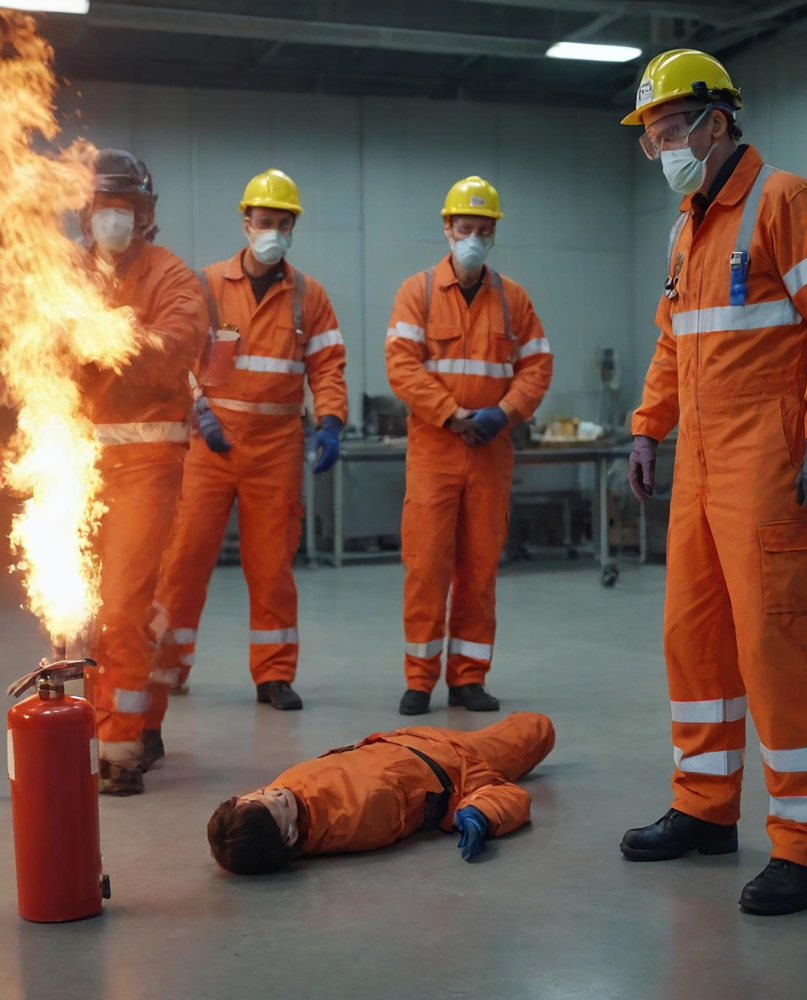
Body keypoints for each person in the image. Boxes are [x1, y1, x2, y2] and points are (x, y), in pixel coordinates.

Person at [619, 49, 807, 915]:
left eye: (667, 128)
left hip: (769, 464)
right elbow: (671, 338)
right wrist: (648, 428)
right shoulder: (688, 226)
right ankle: (704, 808)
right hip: (698, 466)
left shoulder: (789, 203)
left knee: (776, 646)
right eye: (650, 135)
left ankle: (806, 847)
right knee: (694, 642)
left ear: (716, 122)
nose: (660, 147)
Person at [149, 168, 347, 747]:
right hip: (209, 449)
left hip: (276, 452)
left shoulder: (309, 297)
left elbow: (328, 366)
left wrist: (330, 419)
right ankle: (169, 665)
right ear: (246, 223)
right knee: (183, 561)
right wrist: (197, 412)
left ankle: (275, 674)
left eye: (283, 223)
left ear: (293, 227)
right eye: (265, 221)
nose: (274, 231)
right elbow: (180, 358)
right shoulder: (206, 285)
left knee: (272, 566)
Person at [385, 176, 553, 717]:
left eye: (483, 230)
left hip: (490, 451)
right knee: (426, 566)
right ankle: (419, 678)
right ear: (447, 229)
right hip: (436, 450)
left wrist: (503, 413)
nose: (473, 238)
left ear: (494, 232)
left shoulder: (515, 300)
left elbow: (537, 367)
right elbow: (402, 366)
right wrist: (452, 415)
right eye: (465, 228)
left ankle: (468, 678)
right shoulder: (419, 293)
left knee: (479, 569)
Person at [78, 149, 208, 795]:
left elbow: (175, 346)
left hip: (148, 465)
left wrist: (103, 341)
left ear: (145, 214)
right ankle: (129, 719)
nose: (113, 220)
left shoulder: (172, 275)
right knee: (80, 612)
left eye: (124, 208)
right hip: (74, 464)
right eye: (104, 207)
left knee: (124, 604)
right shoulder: (64, 276)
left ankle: (120, 750)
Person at [206, 712, 555, 874]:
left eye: (261, 792)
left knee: (530, 728)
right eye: (277, 803)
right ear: (290, 836)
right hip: (460, 766)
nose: (276, 791)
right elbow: (495, 795)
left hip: (405, 740)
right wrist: (481, 813)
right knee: (537, 728)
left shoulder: (280, 800)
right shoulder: (356, 822)